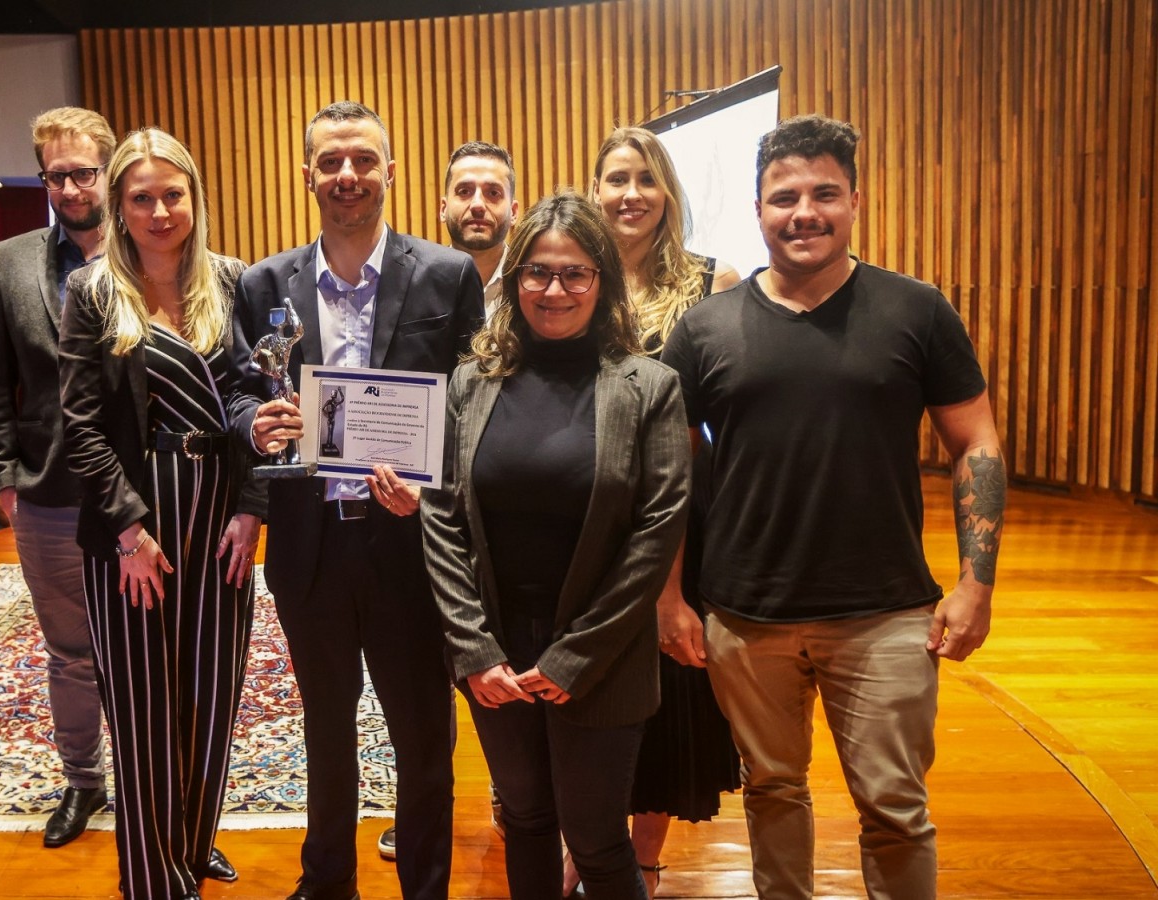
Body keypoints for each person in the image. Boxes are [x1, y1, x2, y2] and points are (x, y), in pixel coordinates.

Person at [661, 115, 1005, 900]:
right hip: (746, 614)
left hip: (884, 611)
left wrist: (976, 583)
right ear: (758, 210)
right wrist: (669, 596)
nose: (803, 212)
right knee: (771, 791)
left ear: (855, 199)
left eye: (824, 193)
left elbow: (976, 442)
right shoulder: (705, 327)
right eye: (784, 197)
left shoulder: (916, 309)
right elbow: (668, 476)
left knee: (895, 809)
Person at [232, 100, 483, 900]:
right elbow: (240, 394)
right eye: (331, 162)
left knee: (421, 738)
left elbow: (472, 410)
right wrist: (256, 423)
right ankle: (327, 880)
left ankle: (425, 886)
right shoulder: (264, 282)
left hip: (408, 544)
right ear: (307, 174)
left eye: (363, 160)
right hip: (309, 548)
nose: (347, 176)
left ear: (390, 171)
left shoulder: (448, 275)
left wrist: (430, 484)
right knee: (326, 728)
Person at [421, 191, 689, 900]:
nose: (554, 290)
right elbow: (442, 518)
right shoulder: (470, 383)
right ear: (513, 284)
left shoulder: (649, 387)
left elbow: (657, 529)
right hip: (498, 654)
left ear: (602, 281)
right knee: (528, 821)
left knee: (598, 840)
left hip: (601, 654)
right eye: (536, 272)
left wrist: (578, 655)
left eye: (575, 273)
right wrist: (474, 650)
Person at [57, 126, 263, 900]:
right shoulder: (93, 291)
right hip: (134, 524)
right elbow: (78, 422)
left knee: (212, 692)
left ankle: (191, 840)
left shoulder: (235, 281)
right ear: (118, 205)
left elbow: (256, 401)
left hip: (219, 518)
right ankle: (153, 878)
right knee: (144, 707)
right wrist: (128, 531)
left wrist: (252, 508)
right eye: (141, 197)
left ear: (195, 198)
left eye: (172, 194)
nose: (159, 210)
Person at [589, 125, 742, 897]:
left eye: (645, 179)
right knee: (586, 687)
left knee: (666, 690)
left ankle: (643, 863)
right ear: (595, 191)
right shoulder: (570, 277)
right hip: (585, 512)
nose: (630, 194)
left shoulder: (715, 284)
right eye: (616, 178)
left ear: (668, 193)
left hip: (683, 512)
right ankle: (587, 850)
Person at [0, 105, 116, 849]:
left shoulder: (150, 249)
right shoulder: (10, 259)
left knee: (148, 648)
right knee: (70, 649)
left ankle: (158, 778)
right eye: (55, 175)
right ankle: (83, 783)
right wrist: (2, 475)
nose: (69, 188)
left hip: (141, 496)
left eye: (82, 172)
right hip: (48, 490)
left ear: (109, 168)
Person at [440, 141, 519, 311]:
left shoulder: (532, 286)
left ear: (513, 212)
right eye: (464, 191)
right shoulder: (419, 285)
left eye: (493, 193)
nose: (478, 205)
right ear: (443, 209)